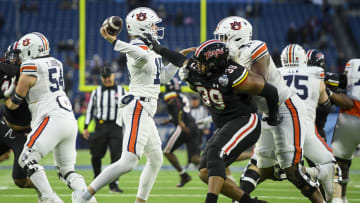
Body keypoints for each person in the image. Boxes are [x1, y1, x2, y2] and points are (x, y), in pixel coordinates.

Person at [140, 36, 282, 202]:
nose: (197, 67)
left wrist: (272, 117)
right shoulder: (197, 68)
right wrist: (156, 47)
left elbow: (271, 92)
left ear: (215, 65)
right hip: (226, 125)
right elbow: (179, 59)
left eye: (202, 64)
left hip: (245, 120)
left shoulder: (234, 75)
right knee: (205, 172)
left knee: (215, 152)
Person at [214, 16, 326, 202]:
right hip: (267, 112)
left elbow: (259, 83)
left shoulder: (256, 48)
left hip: (286, 108)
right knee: (256, 165)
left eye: (224, 37)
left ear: (238, 37)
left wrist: (232, 68)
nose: (221, 42)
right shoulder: (227, 60)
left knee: (292, 170)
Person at [75, 7, 179, 203]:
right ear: (143, 27)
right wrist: (115, 42)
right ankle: (83, 197)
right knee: (128, 162)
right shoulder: (137, 49)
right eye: (153, 25)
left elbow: (162, 78)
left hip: (146, 110)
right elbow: (140, 55)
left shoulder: (151, 51)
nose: (157, 28)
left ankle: (140, 201)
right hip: (138, 107)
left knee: (156, 160)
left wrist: (176, 60)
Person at [5, 32, 94, 203]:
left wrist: (6, 97)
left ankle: (49, 198)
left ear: (30, 50)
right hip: (68, 118)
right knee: (66, 172)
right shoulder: (56, 63)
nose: (17, 57)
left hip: (51, 118)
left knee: (26, 159)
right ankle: (86, 198)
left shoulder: (30, 66)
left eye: (20, 52)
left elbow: (15, 102)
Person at [0, 42, 38, 194]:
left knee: (20, 180)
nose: (13, 60)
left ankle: (45, 191)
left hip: (24, 134)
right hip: (5, 124)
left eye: (16, 57)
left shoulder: (30, 72)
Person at [82, 66, 126, 193]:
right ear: (101, 78)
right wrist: (86, 127)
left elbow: (128, 109)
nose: (107, 79)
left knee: (117, 157)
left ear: (113, 76)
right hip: (100, 126)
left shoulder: (122, 91)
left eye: (109, 76)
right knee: (95, 155)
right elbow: (90, 110)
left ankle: (114, 184)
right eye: (104, 77)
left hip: (116, 126)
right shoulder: (96, 92)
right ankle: (97, 179)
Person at [162, 77, 200, 187]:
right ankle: (217, 163)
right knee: (195, 159)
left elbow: (176, 105)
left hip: (184, 126)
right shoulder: (184, 96)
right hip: (193, 126)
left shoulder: (172, 96)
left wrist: (179, 122)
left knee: (167, 151)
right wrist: (171, 120)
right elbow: (182, 109)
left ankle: (184, 175)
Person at [331, 59, 360, 203]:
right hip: (351, 113)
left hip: (350, 115)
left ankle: (340, 198)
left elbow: (342, 83)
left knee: (340, 161)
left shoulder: (353, 63)